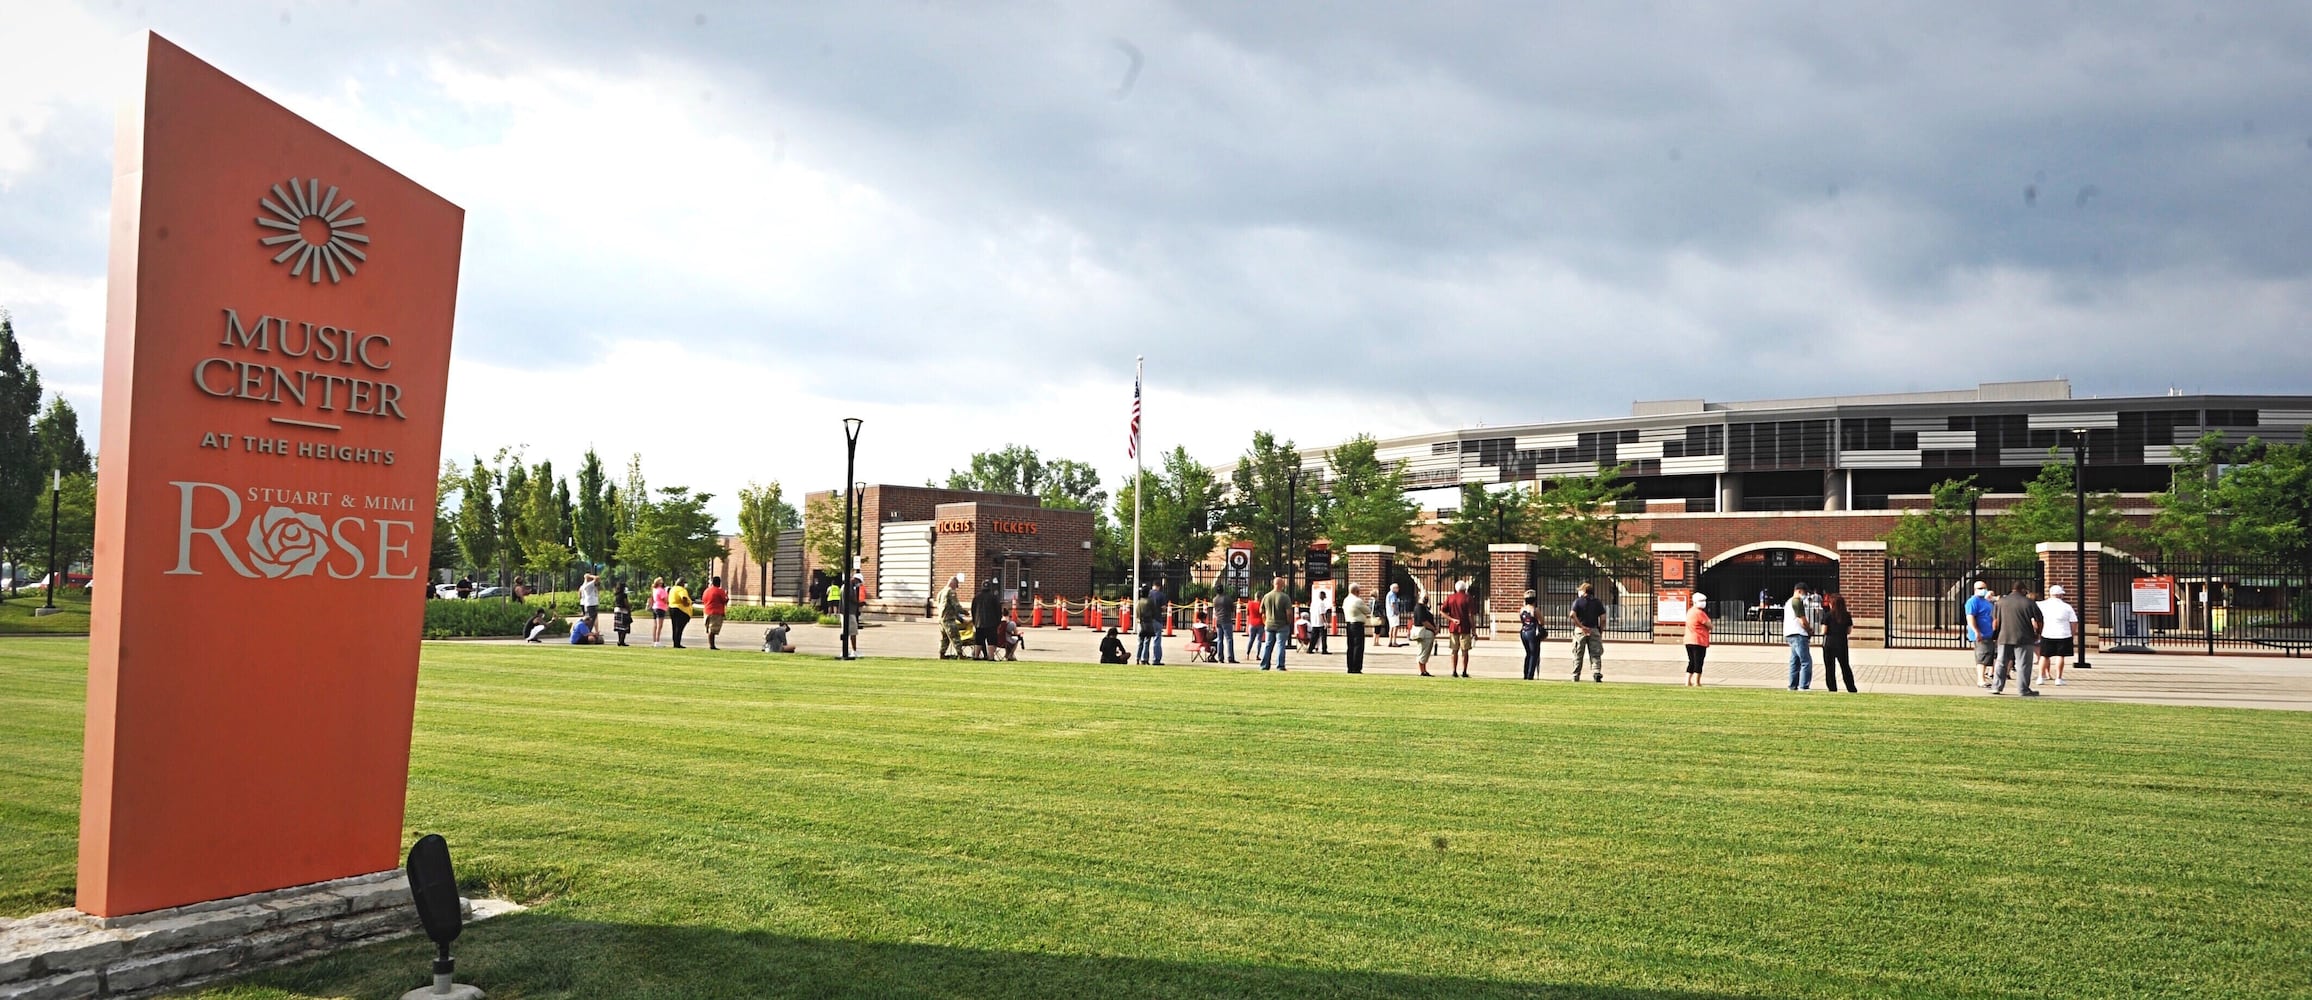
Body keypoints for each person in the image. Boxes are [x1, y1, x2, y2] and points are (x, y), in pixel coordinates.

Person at [1993, 581, 2044, 696]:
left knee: (2001, 662)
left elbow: (1995, 622)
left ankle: (1997, 687)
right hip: (2024, 637)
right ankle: (2023, 689)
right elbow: (2039, 620)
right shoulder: (2029, 602)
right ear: (2023, 590)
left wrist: (1995, 635)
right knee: (2023, 664)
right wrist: (2038, 633)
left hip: (2004, 636)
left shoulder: (2001, 602)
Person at [2038, 584, 2079, 686]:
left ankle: (2040, 677)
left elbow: (2035, 617)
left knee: (2044, 656)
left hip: (2047, 633)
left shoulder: (2042, 605)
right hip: (2063, 634)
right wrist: (2072, 634)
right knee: (2060, 656)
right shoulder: (2067, 607)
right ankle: (2058, 678)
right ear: (2061, 595)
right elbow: (2074, 622)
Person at [1569, 582, 1607, 682]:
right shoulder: (1597, 602)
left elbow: (1572, 615)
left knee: (1578, 653)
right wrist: (1600, 630)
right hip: (1593, 629)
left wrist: (1581, 626)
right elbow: (1603, 619)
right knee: (1595, 654)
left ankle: (1575, 675)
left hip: (1580, 631)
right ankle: (1596, 672)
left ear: (1584, 591)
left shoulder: (1578, 602)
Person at [1440, 580, 1476, 678]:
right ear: (1465, 588)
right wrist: (1474, 630)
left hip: (1453, 628)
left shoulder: (1450, 598)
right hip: (1465, 628)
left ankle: (1454, 671)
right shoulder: (1468, 598)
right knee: (1465, 651)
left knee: (1454, 650)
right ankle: (1464, 671)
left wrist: (1452, 619)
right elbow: (1470, 615)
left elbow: (1442, 611)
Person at [1822, 592, 1857, 692]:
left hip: (1829, 644)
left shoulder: (1828, 615)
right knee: (1845, 666)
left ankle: (1832, 688)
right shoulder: (1846, 615)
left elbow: (1824, 630)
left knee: (1829, 667)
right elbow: (1849, 631)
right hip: (1841, 643)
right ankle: (1851, 687)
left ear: (1832, 604)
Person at [1965, 580, 1998, 688]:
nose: (1982, 590)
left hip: (1989, 634)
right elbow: (1970, 618)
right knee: (1982, 656)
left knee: (1988, 655)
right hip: (1981, 634)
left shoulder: (1986, 601)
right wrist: (1976, 631)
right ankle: (1981, 680)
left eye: (1984, 587)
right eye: (1980, 588)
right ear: (1975, 589)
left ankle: (1984, 677)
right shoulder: (1972, 602)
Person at [1784, 581, 1816, 690]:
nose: (1805, 595)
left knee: (1795, 661)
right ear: (1798, 591)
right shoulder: (1797, 602)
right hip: (1799, 634)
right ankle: (1804, 685)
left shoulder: (1788, 602)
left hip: (1790, 633)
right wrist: (1809, 630)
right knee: (1806, 661)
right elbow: (1802, 621)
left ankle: (1793, 685)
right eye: (1804, 593)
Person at [1258, 576, 1291, 671]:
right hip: (1282, 625)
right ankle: (1280, 665)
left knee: (1268, 645)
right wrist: (1288, 622)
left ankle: (1264, 665)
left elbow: (1261, 611)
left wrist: (1265, 621)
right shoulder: (1285, 597)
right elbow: (1288, 613)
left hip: (1269, 624)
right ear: (1282, 585)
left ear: (1274, 584)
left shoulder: (1266, 596)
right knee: (1280, 646)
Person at [936, 573, 967, 660]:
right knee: (955, 637)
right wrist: (964, 612)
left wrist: (959, 618)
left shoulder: (941, 592)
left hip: (941, 619)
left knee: (945, 638)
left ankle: (942, 654)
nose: (956, 588)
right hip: (949, 619)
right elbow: (956, 606)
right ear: (953, 583)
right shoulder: (950, 591)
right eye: (956, 585)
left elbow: (943, 606)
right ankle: (960, 654)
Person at [972, 578, 1003, 662]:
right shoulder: (994, 597)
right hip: (991, 623)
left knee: (978, 640)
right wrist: (998, 622)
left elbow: (973, 610)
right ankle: (991, 657)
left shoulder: (976, 597)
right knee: (991, 641)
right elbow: (998, 611)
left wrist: (974, 621)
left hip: (979, 623)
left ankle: (976, 656)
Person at [1684, 591, 1711, 686]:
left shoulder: (1690, 611)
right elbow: (1709, 625)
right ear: (1695, 602)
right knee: (1698, 661)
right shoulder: (1700, 613)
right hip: (1699, 640)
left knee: (1691, 661)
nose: (1703, 602)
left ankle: (1687, 681)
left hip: (1688, 640)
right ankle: (1697, 682)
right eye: (1701, 600)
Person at [1341, 583, 1369, 674]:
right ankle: (1356, 667)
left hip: (1349, 624)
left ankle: (1350, 667)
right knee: (1358, 646)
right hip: (1357, 624)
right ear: (1357, 591)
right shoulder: (1358, 600)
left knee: (1350, 646)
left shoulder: (1346, 600)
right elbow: (1367, 610)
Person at [1518, 590, 1543, 680]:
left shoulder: (1522, 609)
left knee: (1528, 653)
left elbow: (1522, 620)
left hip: (1524, 631)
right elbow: (1541, 622)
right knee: (1534, 654)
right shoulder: (1535, 609)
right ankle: (1530, 675)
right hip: (1532, 632)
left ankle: (1525, 673)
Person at [667, 577, 696, 649]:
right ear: (682, 583)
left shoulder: (673, 589)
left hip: (672, 608)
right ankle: (677, 643)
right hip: (681, 610)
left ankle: (675, 642)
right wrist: (687, 604)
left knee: (674, 627)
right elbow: (684, 598)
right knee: (679, 628)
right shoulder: (681, 589)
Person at [1412, 601, 1439, 676]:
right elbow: (1424, 621)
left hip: (1427, 632)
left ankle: (1424, 670)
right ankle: (1422, 670)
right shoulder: (1420, 608)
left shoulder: (1423, 608)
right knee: (1423, 651)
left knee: (1425, 652)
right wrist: (1434, 629)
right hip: (1424, 633)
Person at [841, 572, 865, 658]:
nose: (858, 584)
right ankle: (854, 651)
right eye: (858, 581)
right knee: (853, 632)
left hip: (844, 612)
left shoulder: (845, 586)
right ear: (855, 579)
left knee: (846, 632)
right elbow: (851, 598)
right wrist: (859, 603)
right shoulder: (849, 587)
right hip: (849, 612)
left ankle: (844, 650)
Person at [1214, 585, 1239, 664]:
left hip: (1218, 620)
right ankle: (1230, 657)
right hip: (1227, 620)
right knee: (1229, 639)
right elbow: (1232, 609)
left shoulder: (1215, 599)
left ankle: (1220, 657)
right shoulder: (1227, 598)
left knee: (1219, 640)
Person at [1245, 586, 1267, 662]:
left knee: (1251, 639)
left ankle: (1247, 654)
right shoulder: (1261, 604)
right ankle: (1257, 655)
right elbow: (1263, 613)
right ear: (1261, 597)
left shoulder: (1250, 603)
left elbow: (1247, 613)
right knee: (1259, 640)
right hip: (1260, 623)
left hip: (1252, 623)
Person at [1311, 586, 1333, 655]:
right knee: (1323, 636)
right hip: (1320, 622)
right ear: (1322, 596)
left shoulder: (1313, 603)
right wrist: (1325, 622)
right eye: (1324, 596)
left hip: (1314, 622)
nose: (1324, 598)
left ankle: (1310, 648)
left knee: (1314, 636)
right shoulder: (1321, 603)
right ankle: (1324, 649)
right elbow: (1322, 613)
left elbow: (1311, 611)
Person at [650, 577, 670, 647]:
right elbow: (665, 599)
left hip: (655, 607)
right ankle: (657, 641)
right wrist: (668, 602)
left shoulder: (654, 590)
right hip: (660, 608)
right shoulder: (661, 590)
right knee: (659, 625)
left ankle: (654, 640)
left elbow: (652, 598)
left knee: (655, 625)